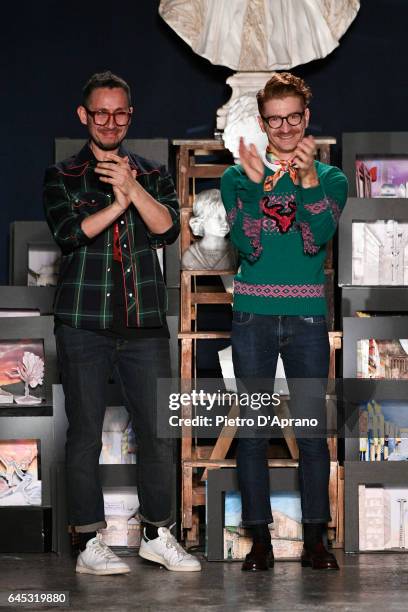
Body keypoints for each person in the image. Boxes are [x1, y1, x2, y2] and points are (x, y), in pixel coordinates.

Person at [44, 71, 201, 575]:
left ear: (129, 117)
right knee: (85, 433)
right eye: (100, 113)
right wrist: (116, 203)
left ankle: (159, 534)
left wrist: (132, 188)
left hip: (145, 323)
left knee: (158, 432)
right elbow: (71, 234)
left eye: (119, 113)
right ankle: (90, 541)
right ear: (84, 116)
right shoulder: (62, 176)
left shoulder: (152, 174)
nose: (110, 122)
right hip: (82, 323)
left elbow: (168, 228)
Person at [221, 72, 348, 571]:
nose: (285, 128)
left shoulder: (331, 178)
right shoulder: (236, 177)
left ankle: (316, 540)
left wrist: (311, 183)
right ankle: (260, 541)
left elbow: (317, 238)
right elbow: (247, 244)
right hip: (252, 315)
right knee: (253, 430)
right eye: (275, 120)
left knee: (312, 432)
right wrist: (254, 188)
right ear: (262, 122)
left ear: (306, 117)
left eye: (293, 117)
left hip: (308, 318)